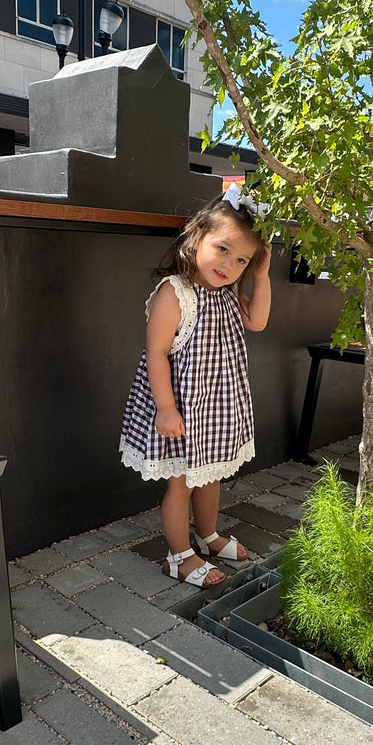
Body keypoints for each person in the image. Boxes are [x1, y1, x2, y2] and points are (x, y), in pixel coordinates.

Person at [119, 185, 272, 588]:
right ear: (197, 236)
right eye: (222, 249)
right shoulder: (176, 293)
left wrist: (261, 275)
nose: (229, 265)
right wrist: (166, 409)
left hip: (216, 411)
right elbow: (156, 353)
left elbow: (258, 321)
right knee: (182, 483)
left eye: (241, 260)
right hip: (183, 411)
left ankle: (207, 535)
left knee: (210, 476)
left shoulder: (227, 294)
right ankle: (179, 556)